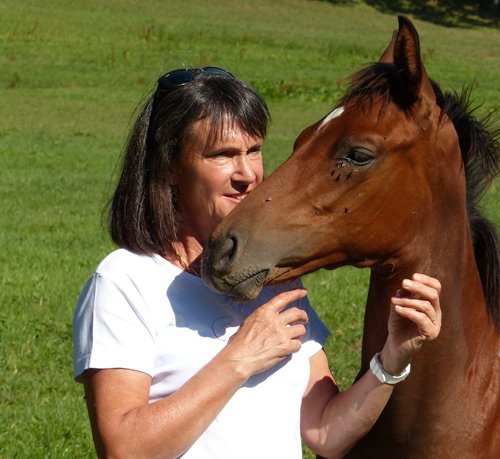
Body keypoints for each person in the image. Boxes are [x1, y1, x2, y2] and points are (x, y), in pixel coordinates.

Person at [73, 66, 442, 458]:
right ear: (170, 166)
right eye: (222, 155)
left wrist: (393, 357)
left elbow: (326, 431)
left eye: (253, 150)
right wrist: (239, 359)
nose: (247, 174)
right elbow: (124, 450)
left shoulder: (272, 282)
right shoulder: (124, 281)